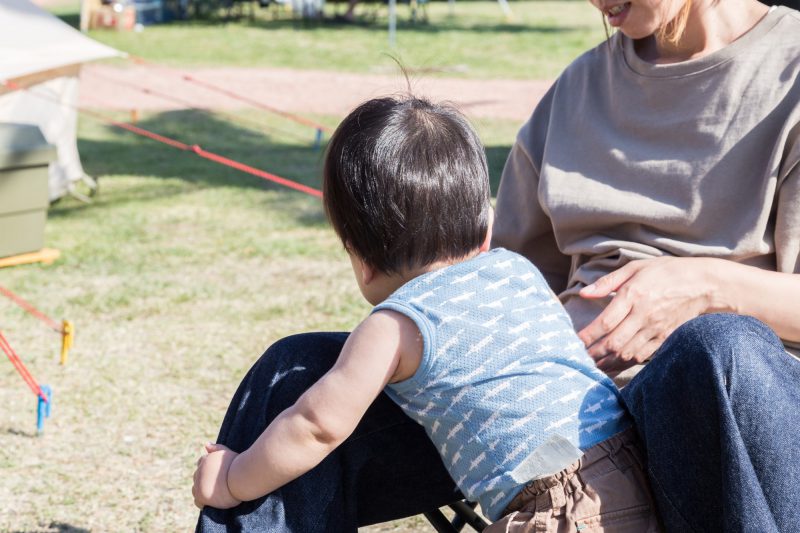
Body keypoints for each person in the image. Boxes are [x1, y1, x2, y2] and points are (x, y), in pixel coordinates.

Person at [196, 0, 800, 530]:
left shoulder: (789, 71)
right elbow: (478, 276)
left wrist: (709, 287)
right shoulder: (577, 91)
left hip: (719, 422)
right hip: (543, 428)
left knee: (719, 349)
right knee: (294, 374)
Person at [192, 96, 661, 531]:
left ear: (361, 258)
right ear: (486, 230)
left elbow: (315, 427)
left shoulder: (393, 328)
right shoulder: (516, 270)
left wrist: (233, 478)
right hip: (633, 467)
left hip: (553, 508)